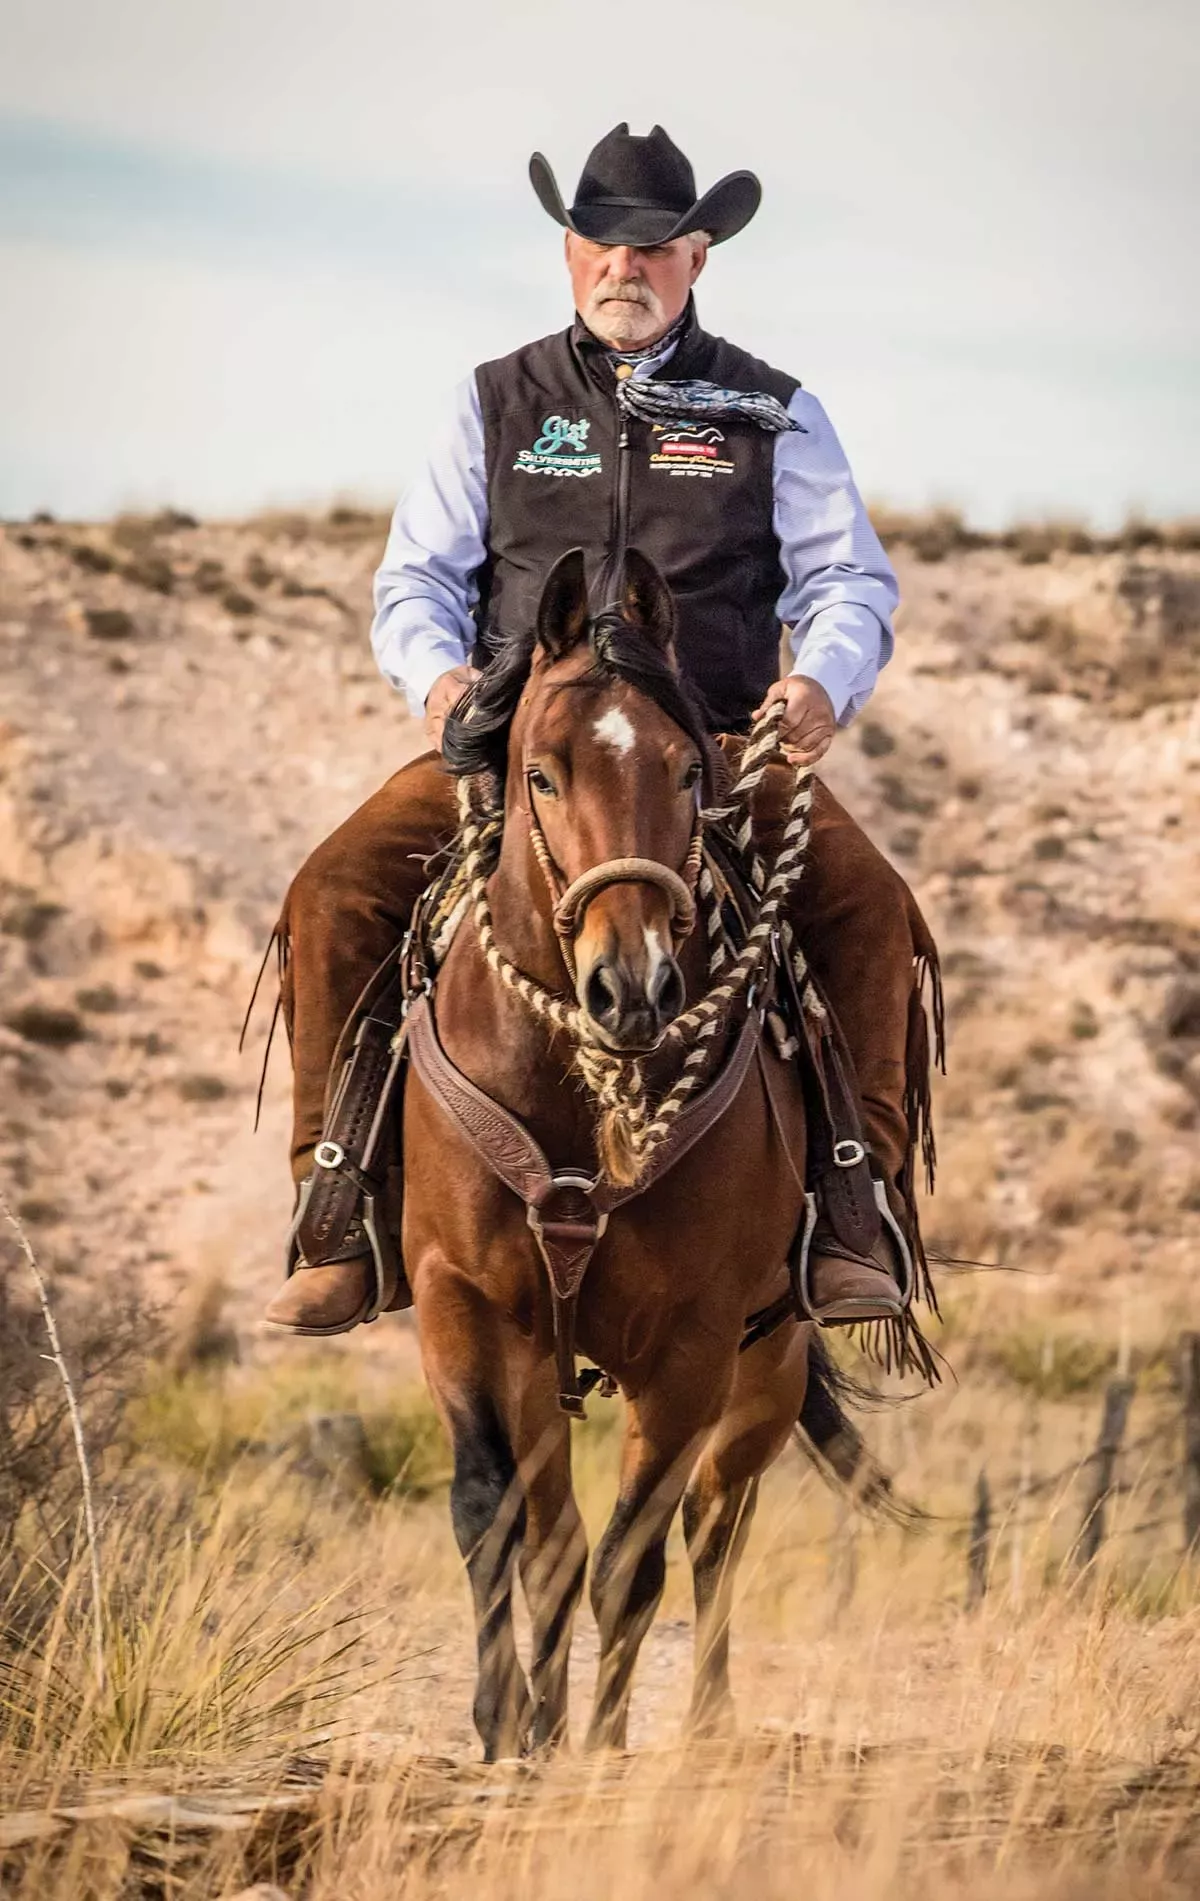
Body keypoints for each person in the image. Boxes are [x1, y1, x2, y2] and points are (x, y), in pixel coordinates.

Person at [264, 123, 937, 1337]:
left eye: (654, 247)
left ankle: (855, 1202)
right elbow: (415, 577)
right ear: (570, 251)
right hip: (522, 757)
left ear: (696, 258)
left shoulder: (772, 409)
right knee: (334, 890)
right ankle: (335, 1203)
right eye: (599, 244)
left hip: (717, 754)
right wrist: (439, 684)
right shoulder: (496, 400)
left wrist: (823, 683)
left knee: (868, 906)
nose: (623, 268)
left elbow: (850, 582)